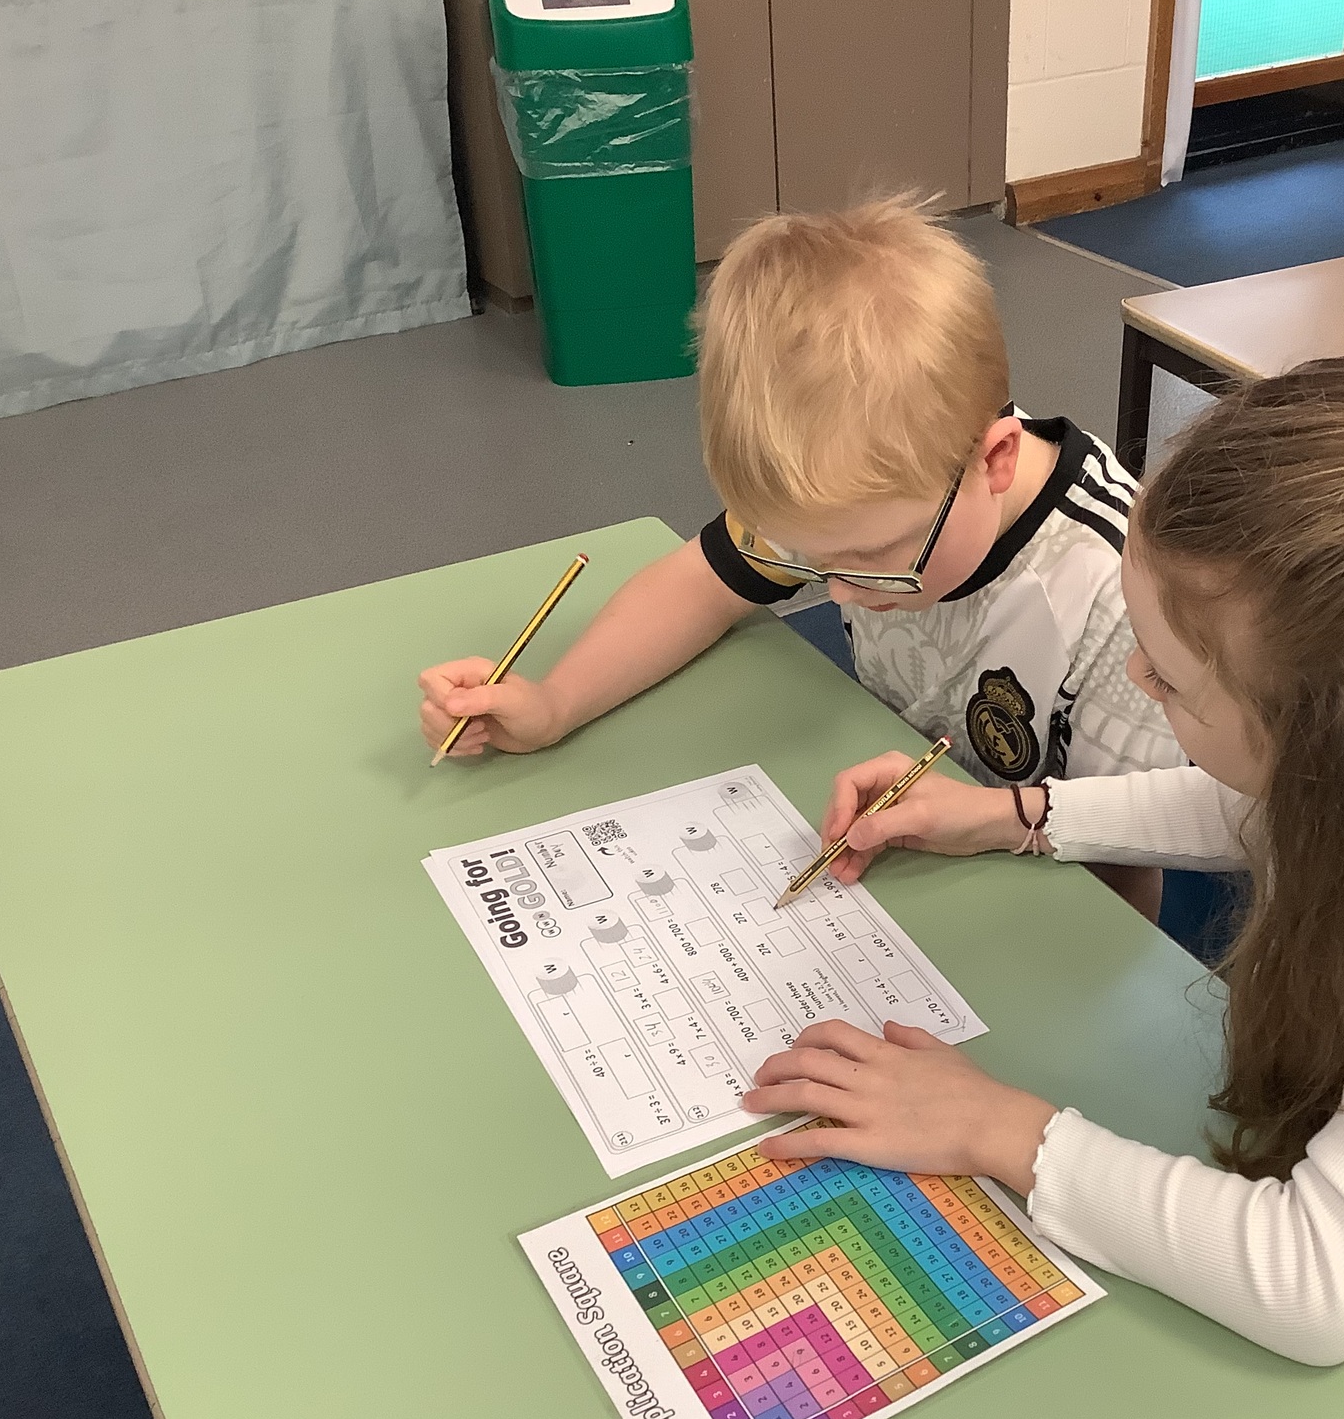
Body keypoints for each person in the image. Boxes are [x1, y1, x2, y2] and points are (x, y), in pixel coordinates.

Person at [739, 355, 1344, 1366]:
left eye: (1171, 682)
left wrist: (997, 1128)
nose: (1136, 676)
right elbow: (1243, 809)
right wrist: (1012, 814)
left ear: (1330, 746)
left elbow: (1317, 1287)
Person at [416, 196, 1180, 912]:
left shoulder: (1125, 599)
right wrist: (554, 705)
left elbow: (1129, 849)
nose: (838, 593)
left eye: (870, 558)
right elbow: (701, 582)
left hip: (1029, 890)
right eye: (814, 563)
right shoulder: (854, 505)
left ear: (996, 459)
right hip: (907, 835)